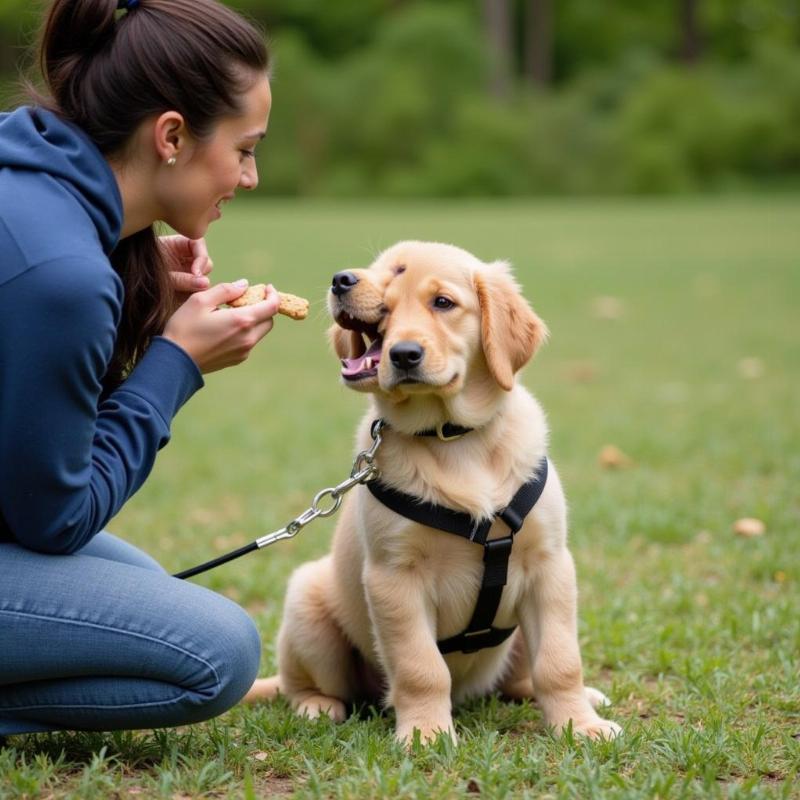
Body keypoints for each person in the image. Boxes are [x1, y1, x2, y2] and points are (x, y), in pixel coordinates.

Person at [0, 0, 279, 736]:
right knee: (217, 648)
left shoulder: (28, 179)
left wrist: (130, 274)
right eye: (245, 149)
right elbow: (53, 520)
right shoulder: (64, 277)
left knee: (145, 597)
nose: (249, 176)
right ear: (172, 135)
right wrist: (177, 363)